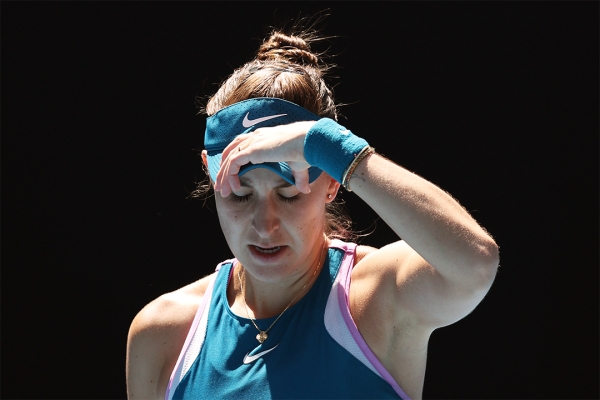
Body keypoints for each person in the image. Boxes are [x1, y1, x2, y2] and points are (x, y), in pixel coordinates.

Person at [126, 27, 499, 400]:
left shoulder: (375, 298)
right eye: (241, 195)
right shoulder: (162, 333)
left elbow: (476, 265)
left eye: (288, 195)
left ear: (332, 183)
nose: (264, 225)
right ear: (210, 175)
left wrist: (332, 147)